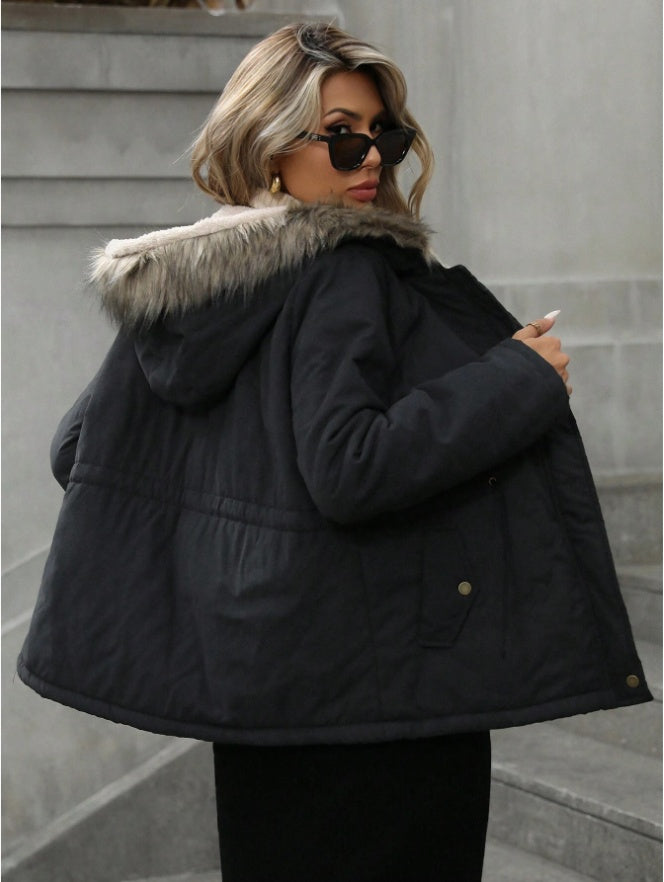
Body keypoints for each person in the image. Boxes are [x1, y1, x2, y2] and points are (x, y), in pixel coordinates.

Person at [17, 21, 651, 882]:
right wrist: (516, 379)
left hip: (261, 699)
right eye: (342, 135)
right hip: (376, 702)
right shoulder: (344, 269)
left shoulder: (197, 279)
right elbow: (351, 465)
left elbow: (82, 450)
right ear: (269, 143)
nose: (372, 158)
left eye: (384, 134)